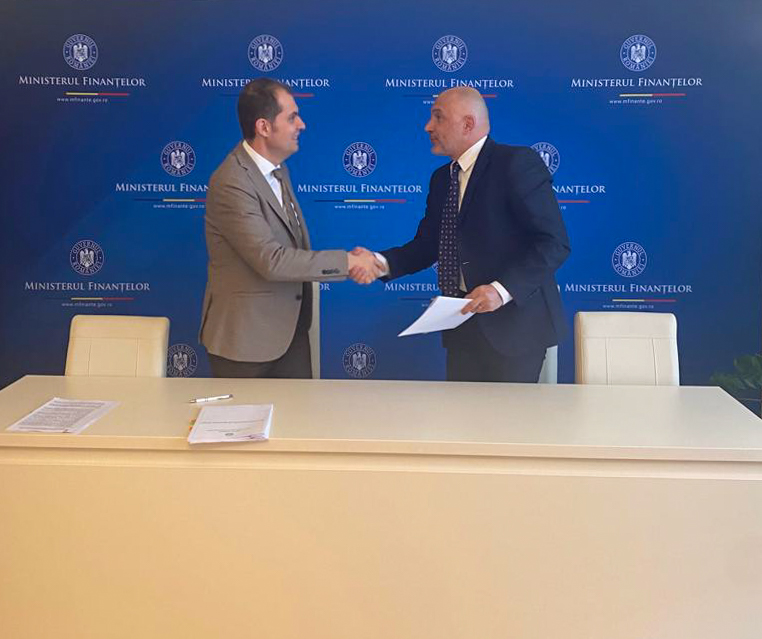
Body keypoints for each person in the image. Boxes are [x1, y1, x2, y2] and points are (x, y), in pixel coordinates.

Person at [354, 87, 570, 382]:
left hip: (515, 330)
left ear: (468, 124)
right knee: (462, 413)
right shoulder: (442, 179)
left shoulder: (516, 163)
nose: (428, 126)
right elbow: (428, 245)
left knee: (506, 414)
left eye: (438, 117)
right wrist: (379, 263)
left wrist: (500, 291)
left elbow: (553, 242)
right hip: (462, 329)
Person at [199, 78, 380, 378]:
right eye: (292, 117)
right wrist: (348, 262)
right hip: (245, 343)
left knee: (299, 410)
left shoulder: (279, 170)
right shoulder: (232, 180)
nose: (302, 125)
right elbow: (271, 259)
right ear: (264, 127)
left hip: (290, 335)